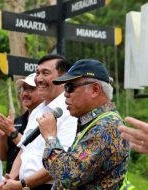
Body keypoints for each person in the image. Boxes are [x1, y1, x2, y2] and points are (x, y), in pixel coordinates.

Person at [37, 59, 131, 189]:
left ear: (95, 89)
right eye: (65, 88)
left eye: (70, 87)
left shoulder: (105, 127)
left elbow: (68, 175)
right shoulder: (96, 122)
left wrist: (50, 137)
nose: (65, 94)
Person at [0, 54, 77, 190]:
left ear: (63, 78)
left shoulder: (70, 111)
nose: (39, 79)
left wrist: (21, 184)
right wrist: (11, 178)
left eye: (45, 73)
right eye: (37, 73)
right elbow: (25, 149)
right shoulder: (37, 110)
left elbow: (61, 162)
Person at [0, 73, 42, 173]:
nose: (25, 94)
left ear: (43, 91)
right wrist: (2, 137)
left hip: (30, 181)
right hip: (10, 180)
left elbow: (32, 149)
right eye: (23, 89)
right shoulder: (16, 121)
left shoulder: (45, 121)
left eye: (31, 89)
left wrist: (11, 131)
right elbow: (3, 157)